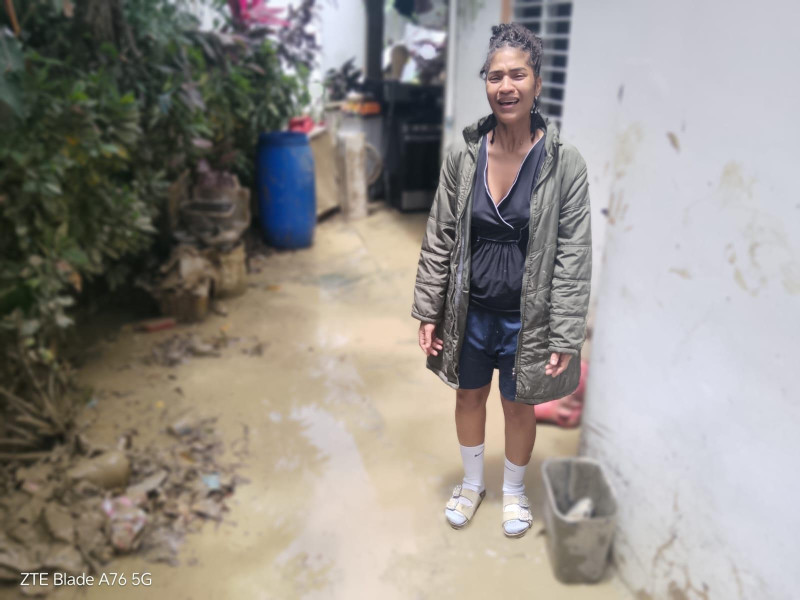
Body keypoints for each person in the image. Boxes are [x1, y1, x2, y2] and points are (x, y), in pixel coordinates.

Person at [411, 23, 592, 538]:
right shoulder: (464, 156)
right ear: (485, 84)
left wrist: (564, 332)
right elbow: (440, 235)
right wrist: (429, 307)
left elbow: (573, 254)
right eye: (495, 76)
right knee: (468, 396)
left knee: (519, 404)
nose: (505, 85)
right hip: (469, 310)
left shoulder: (564, 163)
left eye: (518, 74)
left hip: (525, 317)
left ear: (537, 82)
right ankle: (472, 484)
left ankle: (513, 489)